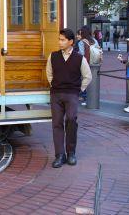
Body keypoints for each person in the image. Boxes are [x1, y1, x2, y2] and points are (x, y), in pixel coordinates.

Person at [46, 28, 92, 168]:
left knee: (71, 120)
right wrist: (55, 85)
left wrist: (78, 90)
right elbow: (49, 74)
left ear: (71, 42)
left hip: (72, 94)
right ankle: (60, 155)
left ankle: (71, 153)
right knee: (57, 123)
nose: (60, 42)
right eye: (59, 39)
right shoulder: (53, 56)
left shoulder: (79, 58)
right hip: (56, 94)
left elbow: (87, 76)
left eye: (63, 40)